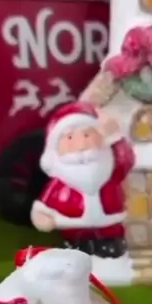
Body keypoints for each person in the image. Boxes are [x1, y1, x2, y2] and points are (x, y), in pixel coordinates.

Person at [31, 101, 135, 258]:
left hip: (111, 225)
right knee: (77, 248)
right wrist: (41, 214)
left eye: (87, 135)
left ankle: (111, 243)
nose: (81, 146)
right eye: (70, 138)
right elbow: (46, 203)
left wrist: (115, 137)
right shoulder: (61, 180)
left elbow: (126, 160)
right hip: (73, 228)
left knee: (112, 246)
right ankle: (77, 245)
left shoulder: (110, 166)